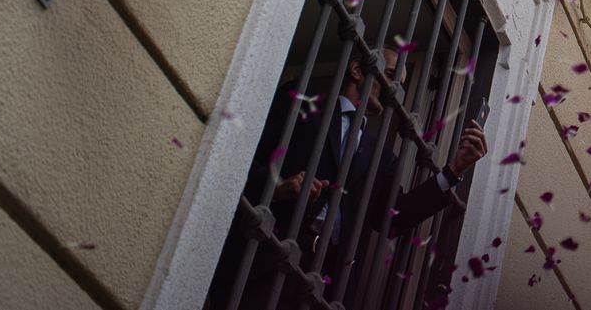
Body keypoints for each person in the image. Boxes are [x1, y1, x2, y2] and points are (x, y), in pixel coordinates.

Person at [208, 48, 488, 309]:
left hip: (325, 284)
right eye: (390, 76)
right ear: (357, 69)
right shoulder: (299, 104)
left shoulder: (382, 156)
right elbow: (240, 159)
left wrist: (454, 170)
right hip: (263, 258)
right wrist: (278, 189)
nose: (395, 91)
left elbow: (394, 218)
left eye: (400, 85)